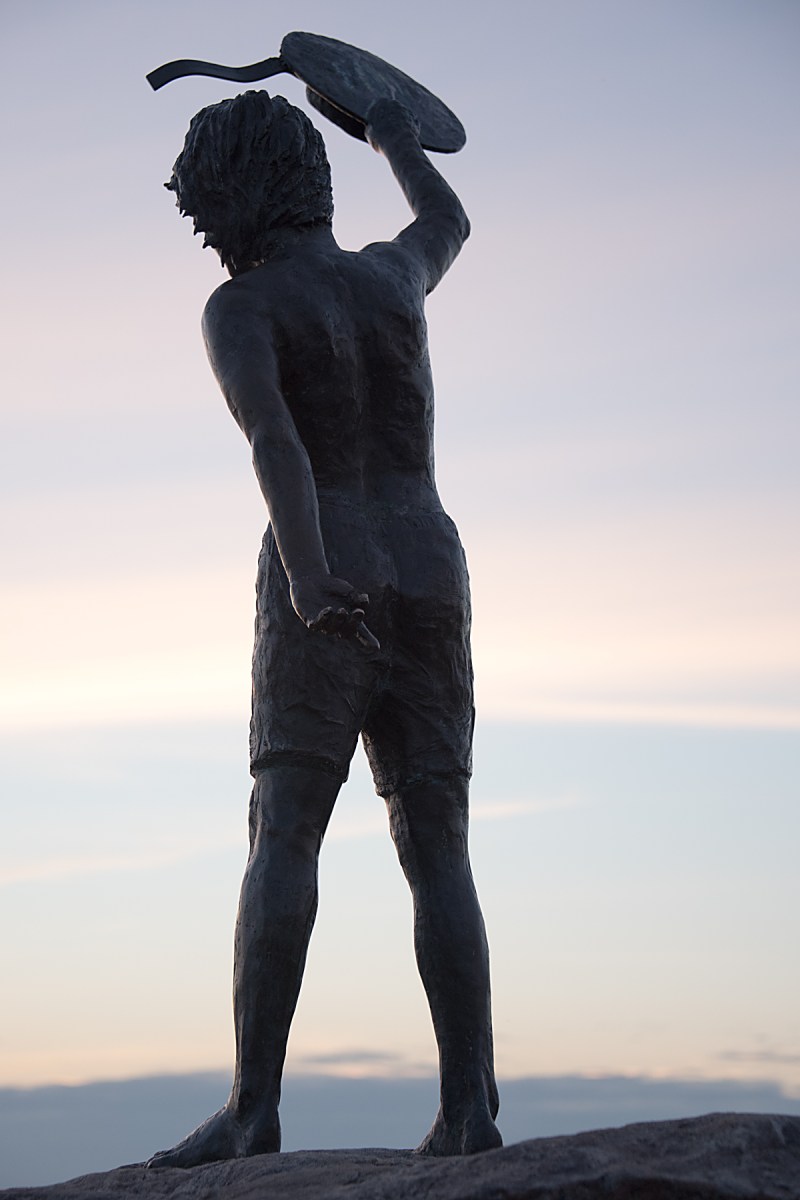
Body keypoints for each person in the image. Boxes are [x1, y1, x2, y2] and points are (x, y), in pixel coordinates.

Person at [147, 89, 501, 1168]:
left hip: (329, 559)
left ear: (243, 189)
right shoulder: (393, 277)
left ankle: (252, 1110)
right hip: (429, 563)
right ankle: (469, 1109)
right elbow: (447, 220)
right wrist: (391, 134)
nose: (203, 230)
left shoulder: (243, 307)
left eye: (206, 203)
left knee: (285, 829)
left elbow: (276, 441)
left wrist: (306, 575)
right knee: (437, 845)